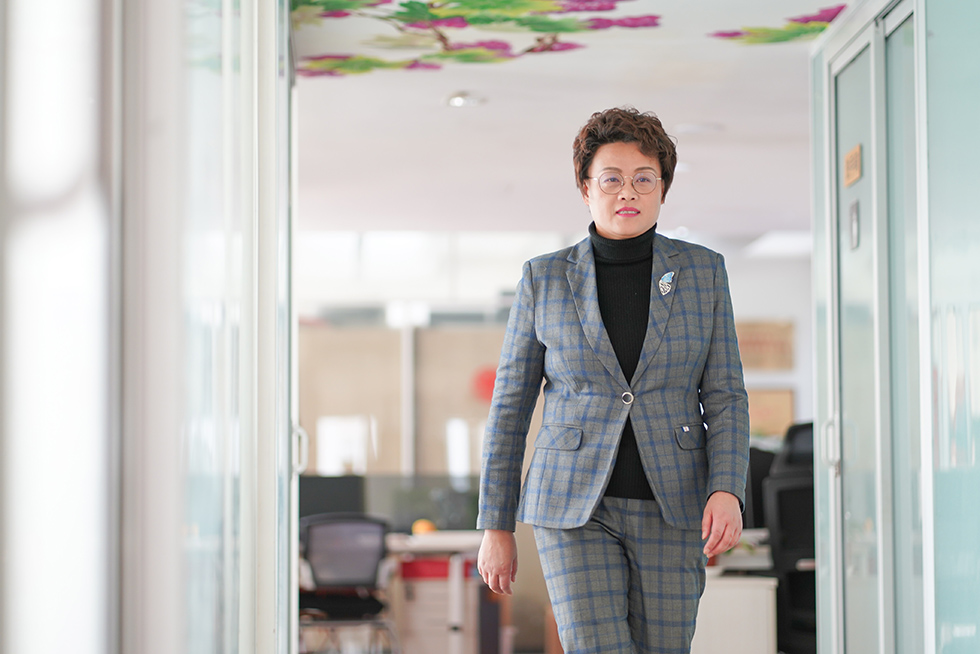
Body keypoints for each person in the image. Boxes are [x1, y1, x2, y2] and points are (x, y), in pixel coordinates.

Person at [476, 106, 749, 654]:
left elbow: (724, 396)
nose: (629, 191)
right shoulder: (544, 278)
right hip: (571, 506)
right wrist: (495, 524)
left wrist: (727, 489)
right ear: (586, 188)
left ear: (663, 188)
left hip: (674, 502)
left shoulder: (703, 272)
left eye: (644, 178)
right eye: (612, 179)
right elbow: (509, 407)